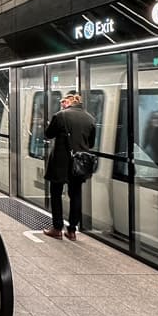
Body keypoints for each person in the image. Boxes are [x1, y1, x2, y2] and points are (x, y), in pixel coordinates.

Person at [43, 90, 96, 241]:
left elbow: (48, 134)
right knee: (76, 195)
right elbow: (90, 143)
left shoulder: (60, 115)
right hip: (79, 163)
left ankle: (57, 228)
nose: (62, 105)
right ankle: (72, 230)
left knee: (56, 194)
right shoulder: (90, 118)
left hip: (60, 162)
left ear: (68, 102)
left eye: (62, 102)